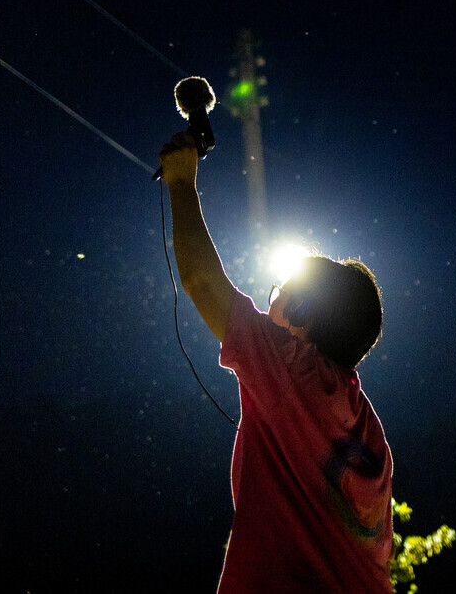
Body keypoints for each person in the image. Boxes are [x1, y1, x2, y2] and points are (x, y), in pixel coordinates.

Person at [158, 131, 394, 593]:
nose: (267, 309)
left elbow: (203, 282)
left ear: (304, 317)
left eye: (278, 296)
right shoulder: (369, 428)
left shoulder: (291, 367)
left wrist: (181, 182)